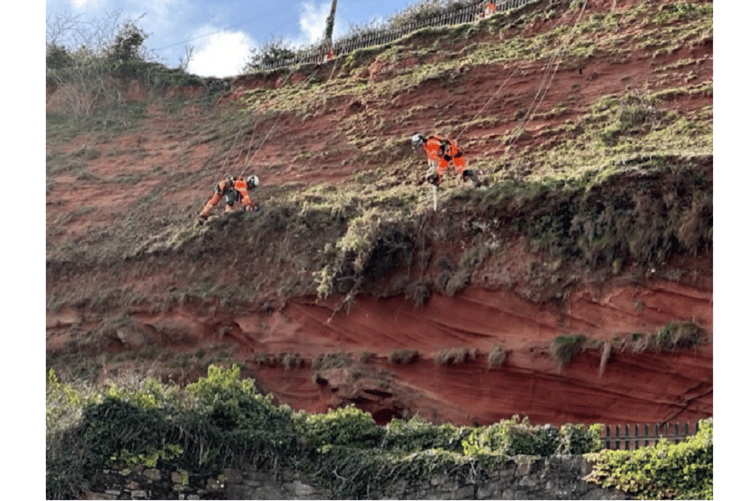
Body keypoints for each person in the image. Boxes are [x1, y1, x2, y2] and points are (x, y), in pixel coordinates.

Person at [411, 133, 480, 187]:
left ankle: (476, 181)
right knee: (439, 172)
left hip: (452, 151)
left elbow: (441, 147)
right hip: (445, 156)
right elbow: (432, 158)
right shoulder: (427, 147)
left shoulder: (430, 143)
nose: (419, 147)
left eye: (418, 145)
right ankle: (437, 181)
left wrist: (436, 163)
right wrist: (431, 168)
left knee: (461, 169)